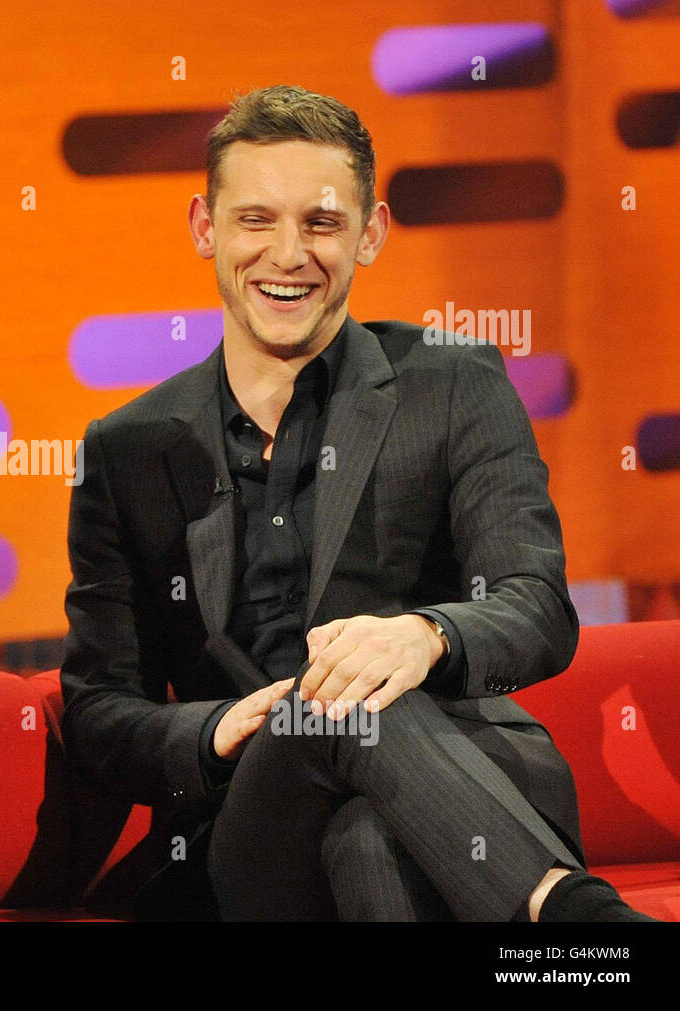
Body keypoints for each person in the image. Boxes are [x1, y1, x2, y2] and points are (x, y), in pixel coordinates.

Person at [60, 84, 652, 922]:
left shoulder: (450, 383)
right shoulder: (128, 448)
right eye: (257, 220)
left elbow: (537, 608)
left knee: (368, 834)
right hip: (256, 837)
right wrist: (217, 728)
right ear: (205, 228)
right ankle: (584, 930)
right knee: (320, 712)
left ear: (370, 233)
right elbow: (98, 711)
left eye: (323, 223)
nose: (288, 253)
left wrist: (427, 635)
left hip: (459, 792)